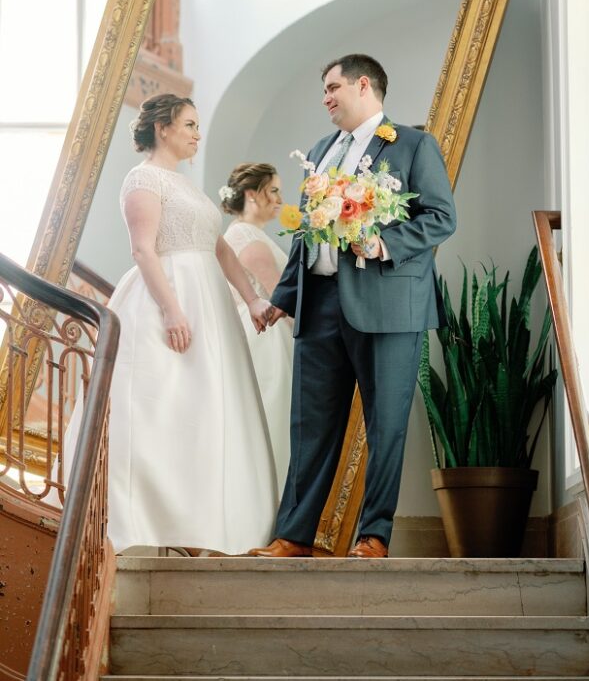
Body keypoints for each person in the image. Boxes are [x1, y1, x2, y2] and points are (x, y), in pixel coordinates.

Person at [249, 54, 457, 559]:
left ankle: (373, 536)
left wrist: (383, 244)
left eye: (332, 87)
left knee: (385, 425)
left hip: (388, 306)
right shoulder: (320, 150)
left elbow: (441, 217)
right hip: (318, 304)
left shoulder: (412, 145)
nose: (326, 97)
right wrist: (283, 298)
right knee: (310, 423)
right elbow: (307, 232)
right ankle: (294, 536)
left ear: (364, 85)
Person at [104, 93, 278, 555]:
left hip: (211, 301)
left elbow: (219, 248)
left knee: (210, 407)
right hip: (171, 296)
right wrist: (171, 309)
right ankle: (154, 522)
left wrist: (253, 300)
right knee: (165, 406)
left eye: (198, 126)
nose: (198, 134)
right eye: (189, 124)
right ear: (162, 128)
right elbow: (143, 249)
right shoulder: (142, 179)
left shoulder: (188, 186)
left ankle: (210, 526)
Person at [222, 163, 294, 495]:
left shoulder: (241, 235)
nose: (280, 199)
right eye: (274, 190)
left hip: (256, 337)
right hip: (267, 341)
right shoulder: (249, 241)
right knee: (272, 419)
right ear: (252, 194)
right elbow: (282, 300)